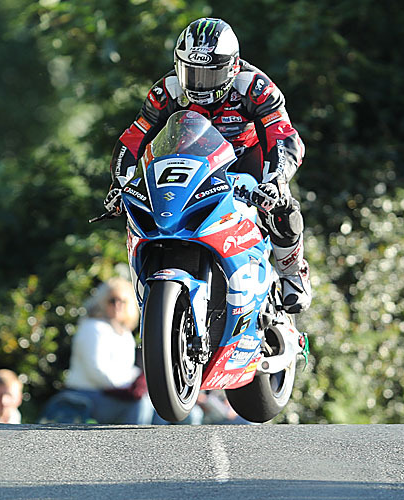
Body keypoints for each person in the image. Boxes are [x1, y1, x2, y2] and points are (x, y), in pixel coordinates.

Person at [104, 17, 311, 314]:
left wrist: (276, 180)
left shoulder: (254, 87)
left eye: (209, 74)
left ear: (232, 66)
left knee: (281, 205)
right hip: (193, 161)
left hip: (246, 159)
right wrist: (118, 184)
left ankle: (293, 274)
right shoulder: (168, 91)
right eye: (191, 72)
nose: (199, 84)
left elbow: (283, 135)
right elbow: (133, 139)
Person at [42, 277, 152, 424]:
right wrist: (127, 389)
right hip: (86, 395)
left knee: (153, 404)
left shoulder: (125, 333)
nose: (117, 305)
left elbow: (126, 370)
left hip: (111, 393)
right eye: (112, 300)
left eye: (123, 301)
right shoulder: (93, 327)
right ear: (102, 302)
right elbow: (96, 370)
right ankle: (135, 445)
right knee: (139, 405)